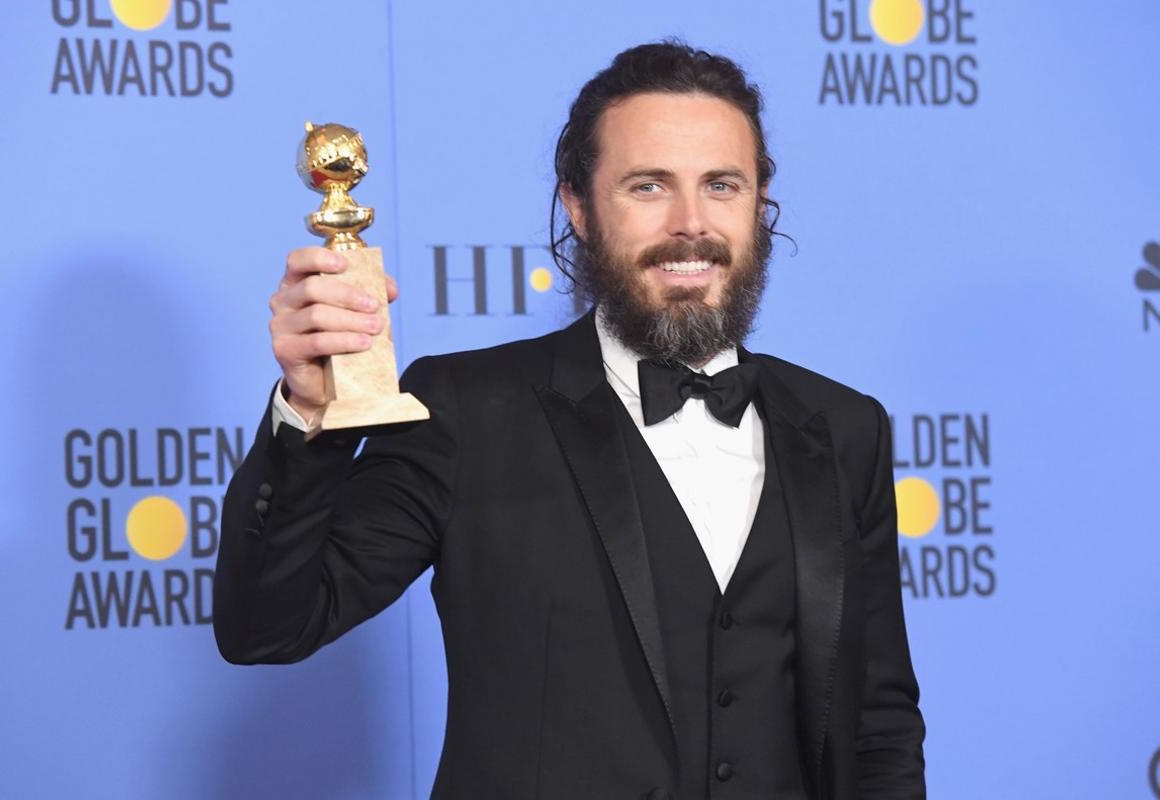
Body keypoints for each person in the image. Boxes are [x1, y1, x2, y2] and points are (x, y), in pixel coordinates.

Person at [214, 40, 926, 800]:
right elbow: (268, 625)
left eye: (721, 185)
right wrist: (308, 415)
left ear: (759, 205)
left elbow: (876, 723)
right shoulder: (465, 409)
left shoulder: (845, 427)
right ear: (579, 209)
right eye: (648, 186)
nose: (692, 223)